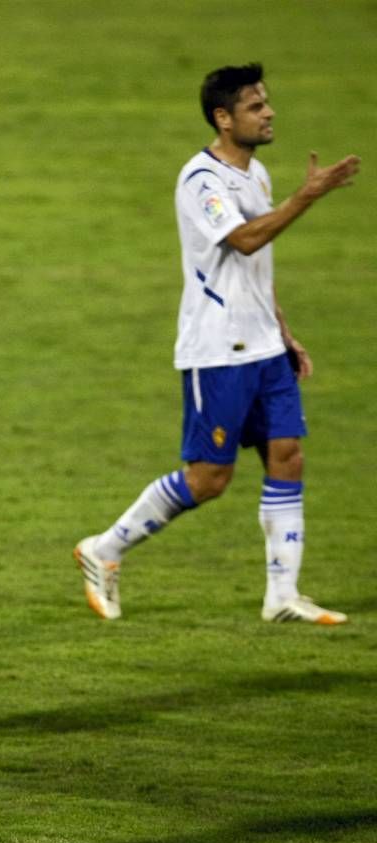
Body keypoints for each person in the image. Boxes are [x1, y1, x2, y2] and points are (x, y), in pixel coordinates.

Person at [74, 63, 360, 625]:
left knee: (288, 455)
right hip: (219, 349)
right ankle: (104, 548)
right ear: (223, 118)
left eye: (267, 102)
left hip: (263, 348)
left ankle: (283, 595)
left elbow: (258, 269)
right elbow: (246, 240)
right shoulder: (200, 180)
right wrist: (309, 195)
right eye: (256, 106)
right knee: (209, 478)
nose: (269, 111)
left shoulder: (256, 176)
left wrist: (283, 330)